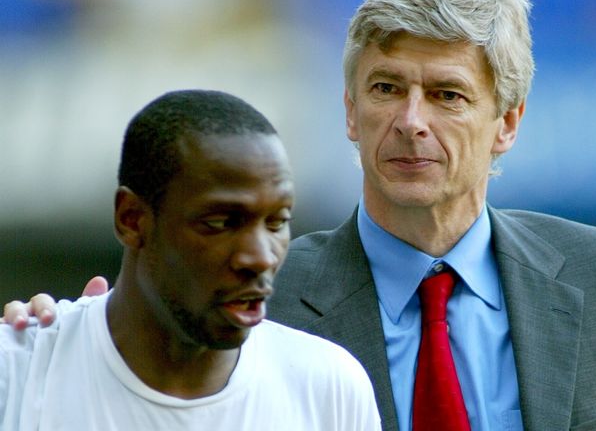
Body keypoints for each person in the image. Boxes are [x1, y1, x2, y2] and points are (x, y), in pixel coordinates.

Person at [4, 0, 596, 430]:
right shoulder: (249, 295)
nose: (411, 121)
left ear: (507, 123)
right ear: (349, 110)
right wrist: (48, 336)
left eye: (447, 95)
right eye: (386, 88)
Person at [0, 90, 381, 430]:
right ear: (131, 219)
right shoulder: (17, 372)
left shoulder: (328, 387)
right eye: (219, 223)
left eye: (277, 222)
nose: (260, 257)